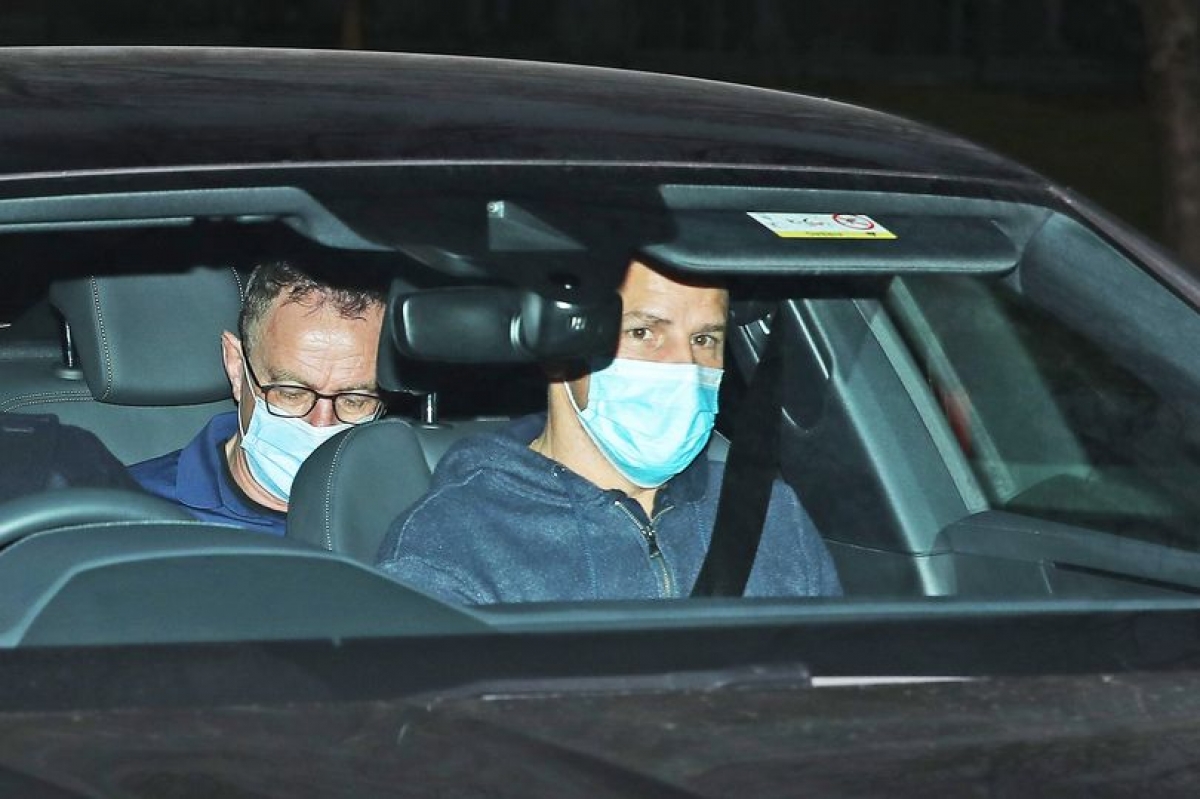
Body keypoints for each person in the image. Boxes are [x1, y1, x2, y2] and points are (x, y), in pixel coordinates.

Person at [376, 259, 841, 603]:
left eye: (704, 339)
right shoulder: (453, 540)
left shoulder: (771, 515)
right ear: (560, 350)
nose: (684, 365)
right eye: (643, 332)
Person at [130, 260, 386, 534]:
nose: (321, 425)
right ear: (237, 368)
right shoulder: (131, 512)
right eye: (291, 393)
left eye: (354, 401)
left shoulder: (405, 513)